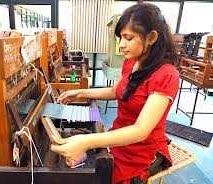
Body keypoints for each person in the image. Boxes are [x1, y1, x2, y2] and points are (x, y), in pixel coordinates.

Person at [51, 3, 179, 184]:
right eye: (121, 38)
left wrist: (87, 141)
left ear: (151, 37)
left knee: (100, 175)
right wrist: (81, 92)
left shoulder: (166, 75)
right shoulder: (131, 62)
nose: (121, 44)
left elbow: (141, 131)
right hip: (120, 136)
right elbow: (115, 91)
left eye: (128, 38)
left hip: (141, 150)